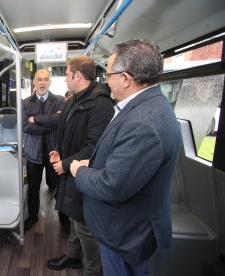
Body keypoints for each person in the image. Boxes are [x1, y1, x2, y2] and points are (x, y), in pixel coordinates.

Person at [70, 39, 182, 276]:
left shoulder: (144, 123)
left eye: (109, 73)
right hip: (125, 231)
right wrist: (96, 163)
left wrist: (79, 170)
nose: (106, 79)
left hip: (126, 237)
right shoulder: (145, 107)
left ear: (125, 78)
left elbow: (112, 186)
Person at [47, 55, 114, 276]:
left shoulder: (100, 104)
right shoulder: (74, 100)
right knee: (76, 219)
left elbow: (95, 146)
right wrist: (59, 152)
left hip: (84, 172)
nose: (65, 79)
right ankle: (73, 257)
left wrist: (65, 164)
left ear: (77, 75)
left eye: (67, 74)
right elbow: (67, 133)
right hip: (71, 168)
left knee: (85, 227)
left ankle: (92, 269)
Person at [22, 68, 65, 231]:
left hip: (53, 150)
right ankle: (33, 215)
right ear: (34, 82)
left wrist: (38, 120)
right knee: (33, 187)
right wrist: (50, 125)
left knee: (57, 186)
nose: (42, 83)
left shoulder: (60, 100)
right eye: (39, 79)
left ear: (50, 82)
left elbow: (59, 121)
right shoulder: (26, 102)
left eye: (45, 79)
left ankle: (63, 216)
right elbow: (26, 126)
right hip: (33, 152)